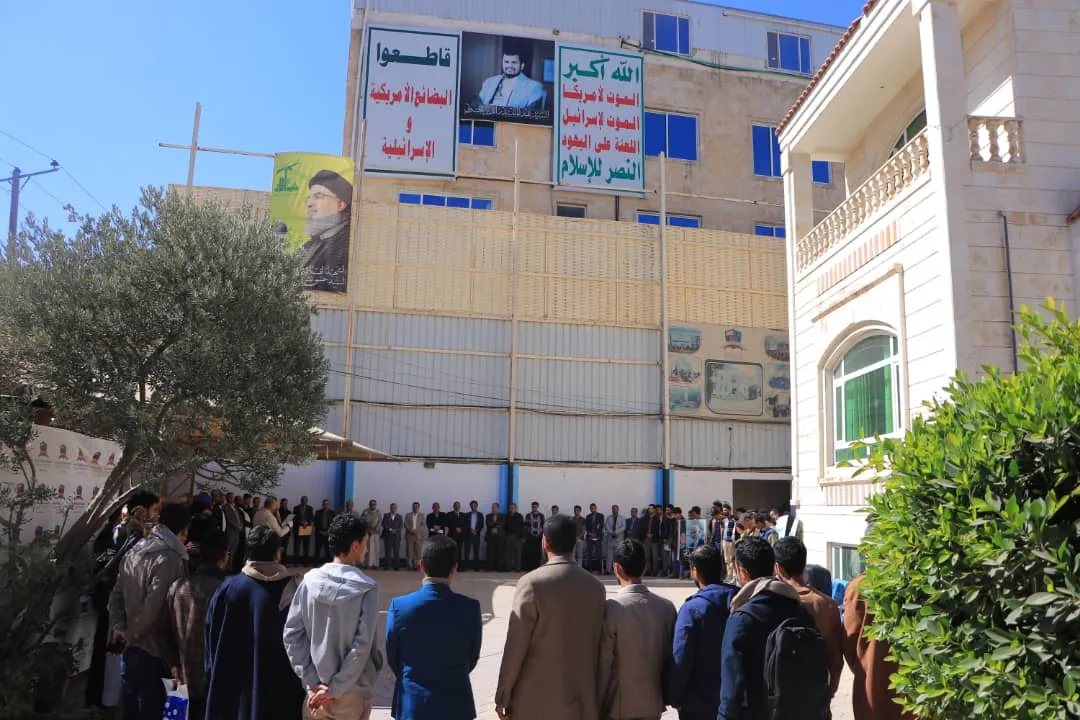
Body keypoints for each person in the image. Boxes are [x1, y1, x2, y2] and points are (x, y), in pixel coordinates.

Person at [495, 514, 606, 720]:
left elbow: (516, 644)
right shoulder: (595, 587)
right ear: (576, 541)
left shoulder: (531, 584)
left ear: (544, 542)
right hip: (582, 701)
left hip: (536, 700)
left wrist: (504, 693)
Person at [717, 536, 829, 720]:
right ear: (772, 567)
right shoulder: (800, 611)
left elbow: (731, 692)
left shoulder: (742, 619)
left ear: (742, 572)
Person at [284, 514, 382, 720]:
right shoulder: (367, 589)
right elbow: (361, 646)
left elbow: (291, 636)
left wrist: (312, 680)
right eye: (364, 543)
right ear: (355, 546)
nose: (366, 549)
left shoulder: (308, 582)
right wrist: (335, 688)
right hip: (352, 692)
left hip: (316, 691)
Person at [204, 525, 304, 720]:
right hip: (282, 696)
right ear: (277, 554)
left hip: (235, 697)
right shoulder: (294, 592)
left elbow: (210, 648)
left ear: (248, 554)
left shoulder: (228, 590)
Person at [108, 503, 191, 720]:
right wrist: (129, 634)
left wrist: (120, 629)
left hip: (130, 645)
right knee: (149, 708)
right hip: (154, 649)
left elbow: (115, 595)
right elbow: (152, 609)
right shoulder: (170, 559)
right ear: (183, 530)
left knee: (129, 706)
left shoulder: (137, 549)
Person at [386, 536, 483, 720]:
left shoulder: (400, 607)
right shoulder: (470, 608)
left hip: (413, 704)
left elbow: (393, 656)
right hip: (455, 703)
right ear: (455, 568)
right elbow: (472, 656)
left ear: (421, 566)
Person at [598, 539, 676, 720]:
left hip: (619, 706)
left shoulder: (611, 608)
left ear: (616, 568)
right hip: (653, 703)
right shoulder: (666, 607)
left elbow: (603, 664)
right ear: (645, 566)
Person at [667, 544, 737, 720]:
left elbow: (681, 658)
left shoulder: (692, 609)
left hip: (699, 704)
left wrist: (675, 697)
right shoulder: (740, 601)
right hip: (736, 699)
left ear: (695, 572)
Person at [167, 529, 228, 720]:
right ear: (224, 556)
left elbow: (164, 631)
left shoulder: (178, 586)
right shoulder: (225, 591)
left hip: (179, 679)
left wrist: (172, 664)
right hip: (213, 684)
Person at [774, 537, 844, 700]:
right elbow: (836, 657)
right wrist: (829, 692)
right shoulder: (827, 605)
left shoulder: (772, 602)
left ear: (778, 568)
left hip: (779, 697)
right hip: (816, 694)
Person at [296, 169, 352, 293]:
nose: (309, 204)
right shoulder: (308, 247)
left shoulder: (350, 243)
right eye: (309, 198)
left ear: (340, 205)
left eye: (318, 197)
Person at [472, 42, 547, 111]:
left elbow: (532, 114)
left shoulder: (535, 87)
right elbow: (475, 105)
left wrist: (497, 110)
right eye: (506, 62)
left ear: (522, 66)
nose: (509, 66)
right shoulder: (489, 82)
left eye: (514, 62)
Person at [293, 495, 315, 564]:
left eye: (305, 500)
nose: (304, 501)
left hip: (306, 528)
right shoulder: (296, 508)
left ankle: (305, 562)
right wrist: (301, 522)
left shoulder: (310, 508)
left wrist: (307, 522)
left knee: (306, 546)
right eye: (303, 500)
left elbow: (311, 517)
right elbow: (294, 518)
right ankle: (296, 562)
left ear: (307, 501)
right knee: (297, 546)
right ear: (301, 500)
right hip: (298, 528)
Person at [360, 499, 382, 569]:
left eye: (374, 504)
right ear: (369, 505)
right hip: (368, 533)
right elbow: (362, 521)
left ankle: (375, 564)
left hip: (375, 533)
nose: (373, 506)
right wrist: (368, 530)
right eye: (371, 504)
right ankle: (367, 564)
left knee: (375, 549)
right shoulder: (365, 512)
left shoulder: (378, 512)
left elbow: (380, 522)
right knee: (368, 549)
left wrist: (375, 530)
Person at [464, 500, 485, 571]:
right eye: (472, 506)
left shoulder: (480, 515)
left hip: (476, 535)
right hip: (468, 534)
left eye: (475, 506)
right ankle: (465, 567)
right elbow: (465, 524)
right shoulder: (466, 515)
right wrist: (470, 529)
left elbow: (482, 525)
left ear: (477, 506)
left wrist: (476, 530)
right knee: (467, 551)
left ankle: (476, 567)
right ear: (470, 506)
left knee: (476, 551)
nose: (473, 507)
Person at [584, 502, 606, 574]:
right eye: (591, 508)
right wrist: (590, 533)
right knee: (589, 553)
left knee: (598, 553)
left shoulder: (601, 516)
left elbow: (601, 526)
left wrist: (596, 534)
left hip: (598, 537)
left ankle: (599, 569)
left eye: (594, 508)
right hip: (590, 537)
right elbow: (586, 527)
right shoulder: (588, 516)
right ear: (590, 509)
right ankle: (589, 569)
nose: (592, 509)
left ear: (596, 508)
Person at [522, 502, 544, 572]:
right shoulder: (528, 515)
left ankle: (537, 567)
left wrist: (540, 533)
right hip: (530, 538)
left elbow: (543, 525)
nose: (534, 508)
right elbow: (525, 526)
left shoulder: (541, 515)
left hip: (538, 537)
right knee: (530, 553)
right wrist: (528, 534)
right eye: (533, 507)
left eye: (535, 507)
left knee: (538, 553)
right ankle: (530, 568)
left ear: (538, 507)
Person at [604, 504, 625, 577]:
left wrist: (616, 532)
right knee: (609, 555)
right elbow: (607, 526)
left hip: (619, 539)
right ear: (612, 510)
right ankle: (608, 570)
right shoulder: (608, 517)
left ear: (618, 509)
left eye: (616, 509)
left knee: (619, 556)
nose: (614, 510)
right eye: (613, 509)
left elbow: (623, 527)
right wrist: (612, 532)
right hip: (610, 538)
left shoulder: (622, 518)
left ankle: (619, 571)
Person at [382, 502, 404, 571]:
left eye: (395, 508)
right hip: (388, 536)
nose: (393, 509)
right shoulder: (386, 515)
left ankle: (396, 566)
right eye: (392, 507)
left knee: (396, 552)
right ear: (390, 508)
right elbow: (383, 524)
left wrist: (395, 530)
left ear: (396, 508)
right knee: (388, 552)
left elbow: (401, 526)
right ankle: (387, 566)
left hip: (396, 536)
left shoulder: (399, 516)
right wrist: (390, 529)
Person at [485, 502, 506, 572]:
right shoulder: (488, 516)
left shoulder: (502, 516)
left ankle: (499, 567)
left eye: (494, 507)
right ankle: (489, 567)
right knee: (490, 552)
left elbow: (502, 524)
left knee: (500, 552)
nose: (493, 509)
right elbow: (488, 524)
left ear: (498, 508)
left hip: (499, 536)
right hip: (490, 536)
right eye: (492, 507)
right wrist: (496, 525)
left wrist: (495, 526)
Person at [504, 502, 525, 572]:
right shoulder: (506, 516)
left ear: (516, 509)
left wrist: (522, 537)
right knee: (508, 552)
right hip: (508, 536)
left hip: (517, 536)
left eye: (513, 508)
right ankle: (508, 567)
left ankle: (517, 567)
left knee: (518, 552)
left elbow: (522, 527)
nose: (512, 509)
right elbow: (504, 527)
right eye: (511, 508)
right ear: (509, 509)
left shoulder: (519, 516)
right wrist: (505, 536)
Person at [405, 501, 425, 571]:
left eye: (416, 507)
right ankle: (409, 565)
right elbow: (406, 524)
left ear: (419, 507)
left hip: (418, 535)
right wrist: (411, 530)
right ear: (412, 507)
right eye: (414, 507)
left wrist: (417, 530)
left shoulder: (422, 515)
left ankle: (416, 565)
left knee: (417, 551)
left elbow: (423, 525)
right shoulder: (408, 515)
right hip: (410, 535)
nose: (415, 508)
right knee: (410, 551)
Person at [644, 505, 662, 576]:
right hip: (646, 539)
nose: (650, 510)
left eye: (651, 508)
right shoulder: (646, 518)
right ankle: (648, 570)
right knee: (647, 556)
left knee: (654, 556)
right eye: (649, 508)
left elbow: (658, 529)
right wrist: (646, 534)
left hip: (654, 540)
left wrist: (652, 534)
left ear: (654, 510)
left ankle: (655, 571)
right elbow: (644, 527)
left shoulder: (657, 518)